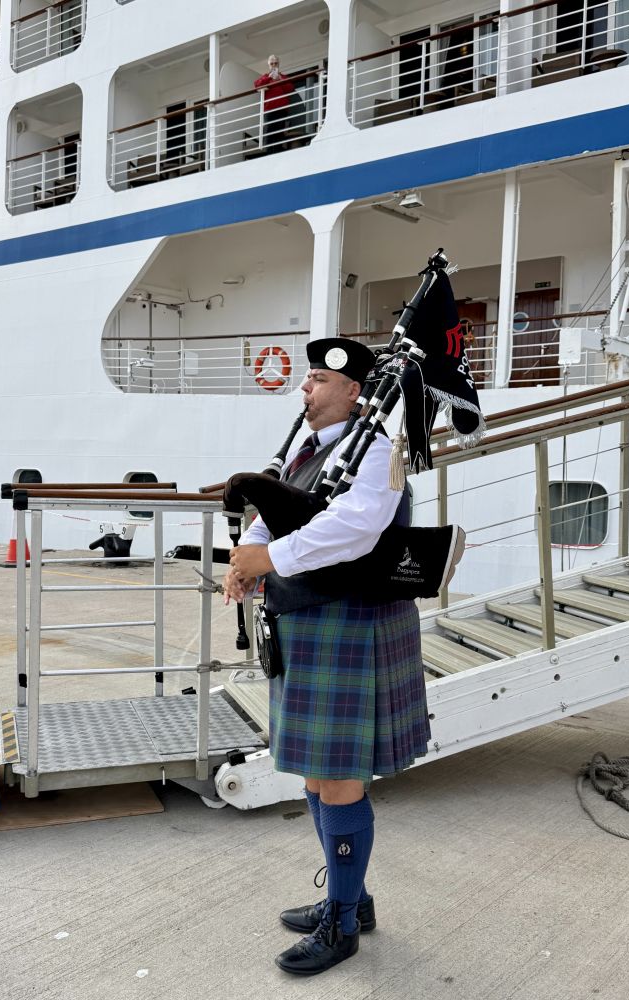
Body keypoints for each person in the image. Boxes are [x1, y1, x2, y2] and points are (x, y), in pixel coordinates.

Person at [224, 337, 431, 976]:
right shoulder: (308, 449)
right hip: (309, 620)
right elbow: (275, 509)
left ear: (354, 390)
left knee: (338, 778)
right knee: (316, 775)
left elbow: (355, 526)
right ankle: (352, 898)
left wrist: (270, 558)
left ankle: (341, 924)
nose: (305, 389)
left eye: (317, 379)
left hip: (352, 622)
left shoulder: (378, 449)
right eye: (308, 378)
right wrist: (246, 560)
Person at [254, 54, 295, 152]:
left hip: (281, 109)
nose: (273, 65)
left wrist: (280, 79)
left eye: (275, 63)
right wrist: (269, 77)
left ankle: (277, 151)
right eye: (271, 64)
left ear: (278, 64)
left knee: (279, 132)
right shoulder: (265, 77)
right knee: (269, 132)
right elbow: (257, 85)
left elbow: (290, 88)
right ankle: (269, 153)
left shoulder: (283, 77)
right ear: (269, 65)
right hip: (269, 109)